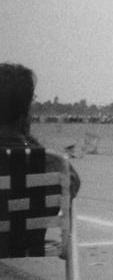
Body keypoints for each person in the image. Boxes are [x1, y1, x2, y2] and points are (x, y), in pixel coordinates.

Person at [0, 63, 81, 257]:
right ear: (26, 111)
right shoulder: (54, 163)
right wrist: (26, 138)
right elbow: (73, 186)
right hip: (23, 244)